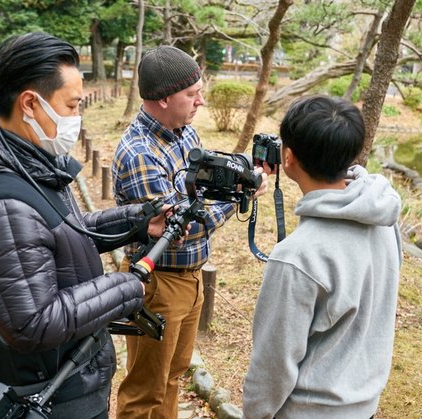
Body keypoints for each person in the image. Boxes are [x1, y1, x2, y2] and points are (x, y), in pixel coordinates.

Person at [0, 32, 171, 418]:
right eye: (72, 105)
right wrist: (125, 287)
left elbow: (61, 231)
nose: (77, 117)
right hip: (50, 391)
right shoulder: (2, 204)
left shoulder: (26, 161)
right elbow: (33, 322)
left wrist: (138, 221)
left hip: (68, 376)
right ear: (30, 104)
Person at [113, 45, 268, 418]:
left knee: (172, 377)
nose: (201, 101)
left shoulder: (185, 135)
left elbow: (205, 190)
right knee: (144, 390)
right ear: (163, 99)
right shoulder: (140, 153)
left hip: (191, 279)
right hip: (159, 283)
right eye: (191, 94)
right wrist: (239, 197)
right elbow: (183, 227)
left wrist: (237, 180)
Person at [242, 95, 402, 419]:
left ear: (287, 158)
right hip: (364, 405)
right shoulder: (384, 218)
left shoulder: (297, 257)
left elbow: (273, 365)